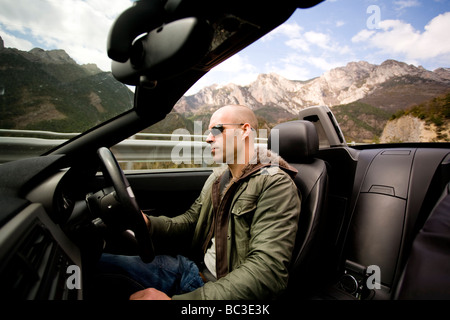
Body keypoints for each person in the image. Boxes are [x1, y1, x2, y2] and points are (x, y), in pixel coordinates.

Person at [94, 104, 301, 300]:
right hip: (191, 269)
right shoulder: (219, 177)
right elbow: (191, 222)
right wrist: (147, 223)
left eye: (217, 130)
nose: (208, 139)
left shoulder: (275, 184)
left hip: (215, 289)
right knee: (95, 265)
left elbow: (267, 271)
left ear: (244, 131)